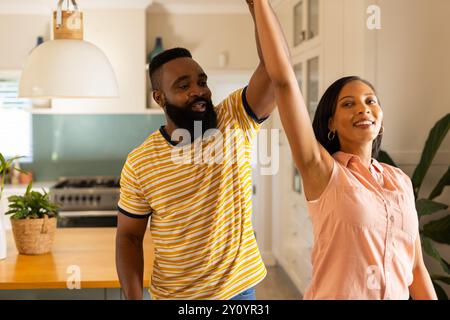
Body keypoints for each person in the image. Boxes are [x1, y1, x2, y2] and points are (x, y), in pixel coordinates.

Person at [252, 0, 437, 299]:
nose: (363, 109)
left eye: (371, 101)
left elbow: (415, 268)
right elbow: (284, 81)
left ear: (381, 119)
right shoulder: (324, 173)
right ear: (331, 124)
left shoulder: (399, 181)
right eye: (348, 104)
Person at [115, 3, 285, 300]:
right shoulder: (140, 161)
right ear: (159, 97)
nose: (199, 90)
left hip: (238, 292)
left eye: (202, 81)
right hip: (175, 297)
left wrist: (258, 4)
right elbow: (129, 237)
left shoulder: (234, 118)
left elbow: (274, 71)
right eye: (184, 85)